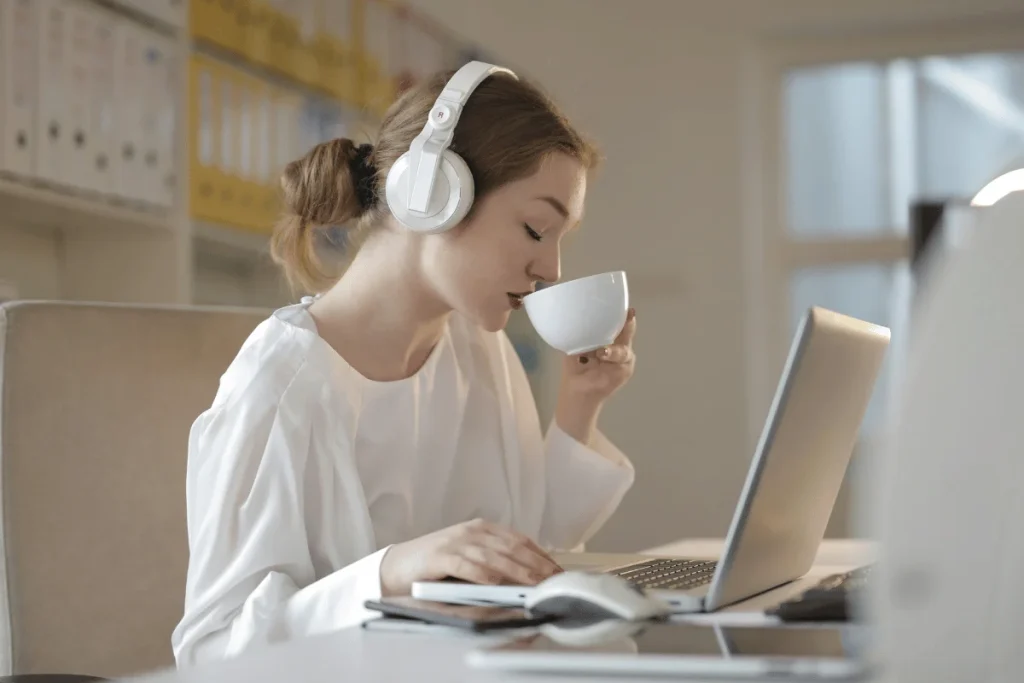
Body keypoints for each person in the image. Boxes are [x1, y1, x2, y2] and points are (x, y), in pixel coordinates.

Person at [171, 62, 638, 666]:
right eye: (534, 228)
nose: (550, 269)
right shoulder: (283, 385)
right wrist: (388, 574)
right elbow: (211, 654)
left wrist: (580, 406)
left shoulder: (479, 347)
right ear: (432, 195)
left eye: (558, 240)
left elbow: (523, 558)